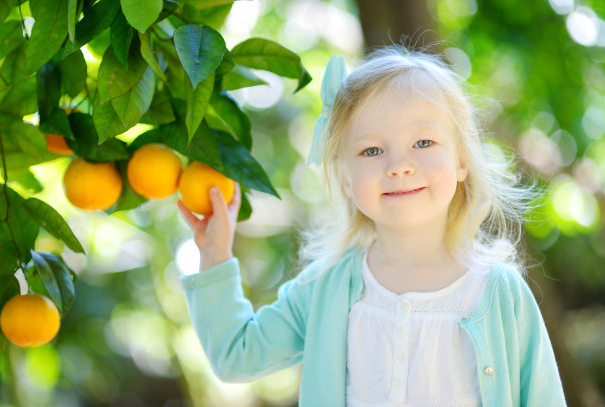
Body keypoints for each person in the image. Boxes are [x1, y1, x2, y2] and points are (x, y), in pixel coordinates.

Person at [177, 46, 567, 406]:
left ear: (462, 160)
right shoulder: (327, 286)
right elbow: (237, 356)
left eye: (424, 143)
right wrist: (214, 255)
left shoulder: (498, 293)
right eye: (372, 150)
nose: (398, 164)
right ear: (345, 178)